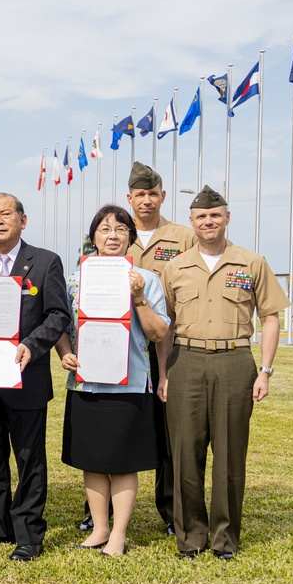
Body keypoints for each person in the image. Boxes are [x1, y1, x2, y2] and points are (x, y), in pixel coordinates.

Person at [160, 186, 288, 560]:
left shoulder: (252, 262)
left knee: (230, 454)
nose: (208, 221)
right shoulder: (176, 267)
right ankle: (190, 537)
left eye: (215, 215)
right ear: (191, 221)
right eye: (201, 216)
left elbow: (270, 318)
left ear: (227, 218)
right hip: (186, 360)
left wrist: (264, 371)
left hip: (234, 362)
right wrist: (165, 374)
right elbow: (166, 324)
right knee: (185, 453)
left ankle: (224, 539)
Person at [0, 193, 69, 562]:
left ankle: (29, 534)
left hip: (27, 376)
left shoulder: (45, 262)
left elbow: (57, 315)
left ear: (23, 220)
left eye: (7, 213)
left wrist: (31, 345)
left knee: (29, 459)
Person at [54, 205, 170, 556]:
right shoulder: (76, 278)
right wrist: (63, 352)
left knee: (122, 461)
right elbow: (61, 323)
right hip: (86, 383)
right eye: (105, 229)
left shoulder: (147, 279)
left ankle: (118, 533)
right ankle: (99, 527)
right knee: (92, 459)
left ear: (130, 238)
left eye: (121, 229)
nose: (113, 236)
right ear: (94, 238)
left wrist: (138, 298)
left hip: (129, 383)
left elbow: (159, 332)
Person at [110, 161, 196, 537]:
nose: (146, 200)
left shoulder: (182, 236)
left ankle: (171, 509)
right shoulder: (116, 232)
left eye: (152, 194)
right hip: (120, 345)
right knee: (112, 422)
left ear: (162, 196)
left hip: (168, 339)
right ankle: (97, 511)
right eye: (139, 195)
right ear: (129, 198)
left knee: (168, 430)